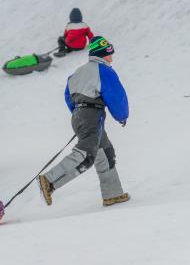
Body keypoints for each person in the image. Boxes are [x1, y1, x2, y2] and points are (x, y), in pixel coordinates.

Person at [38, 36, 130, 206]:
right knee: (86, 155)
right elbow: (116, 95)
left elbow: (68, 96)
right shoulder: (104, 70)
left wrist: (79, 113)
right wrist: (121, 115)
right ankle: (49, 180)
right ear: (103, 55)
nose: (112, 58)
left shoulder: (77, 73)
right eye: (110, 54)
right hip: (92, 116)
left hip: (80, 115)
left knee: (105, 152)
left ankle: (113, 194)